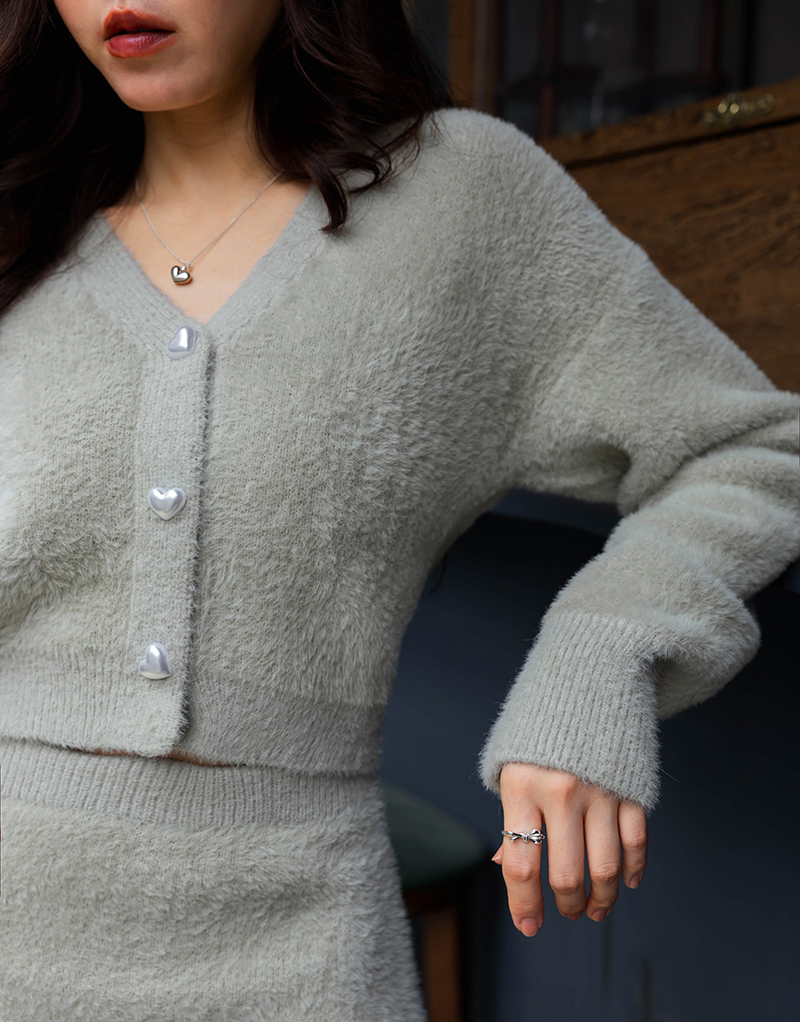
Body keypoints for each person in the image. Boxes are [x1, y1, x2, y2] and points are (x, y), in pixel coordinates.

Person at [1, 1, 798, 1019]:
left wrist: (599, 659)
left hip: (304, 952)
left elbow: (752, 448)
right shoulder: (21, 216)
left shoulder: (460, 199)